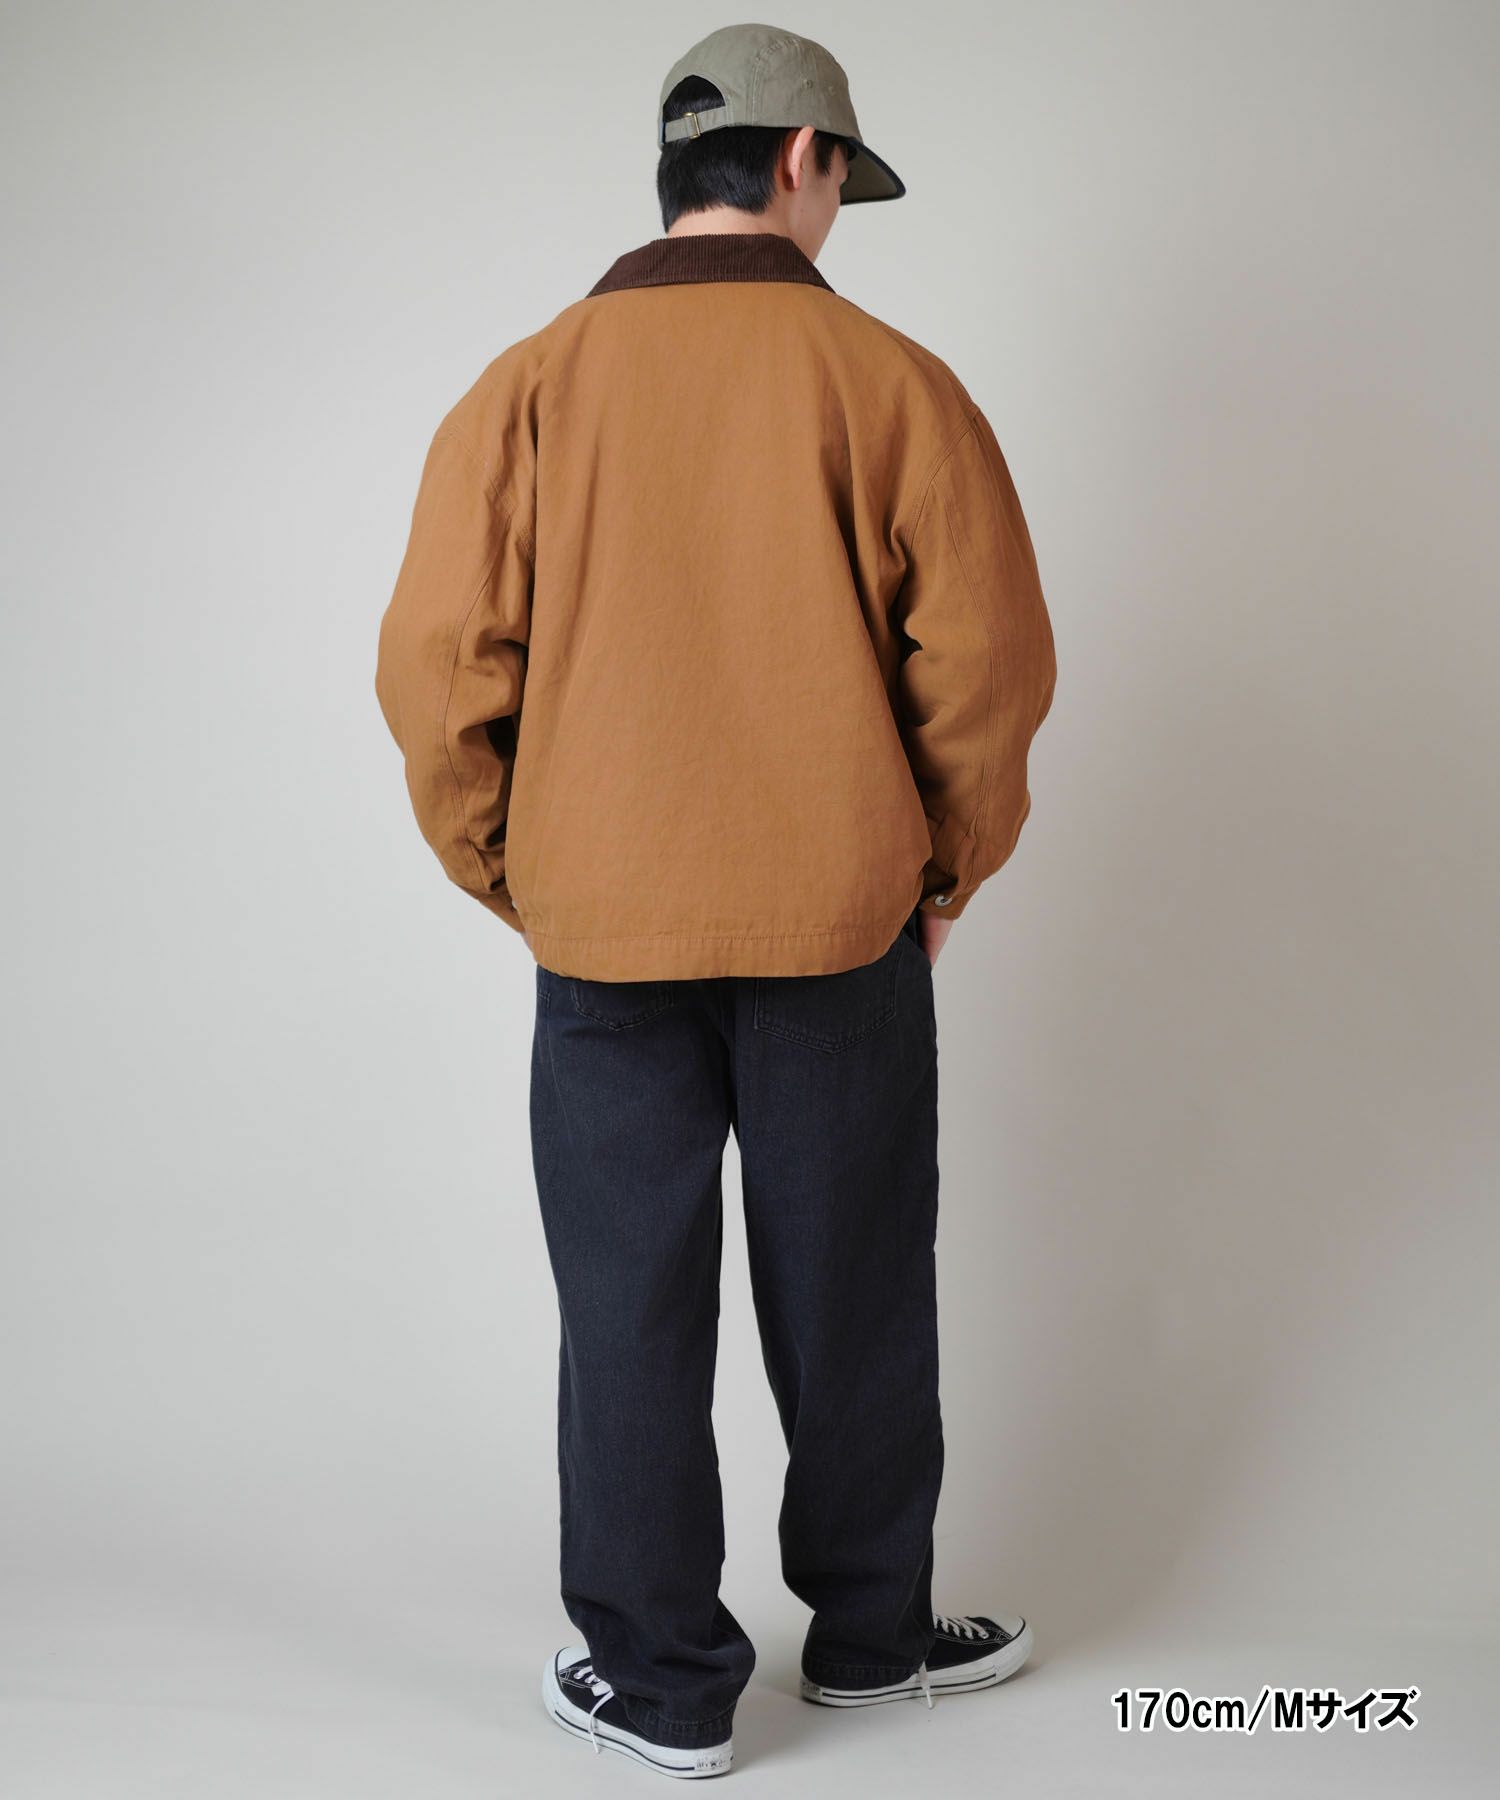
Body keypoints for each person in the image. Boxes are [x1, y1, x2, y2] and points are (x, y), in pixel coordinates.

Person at [374, 21, 1056, 1781]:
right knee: (856, 1291)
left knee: (626, 1306)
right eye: (843, 183)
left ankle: (664, 1684)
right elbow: (986, 665)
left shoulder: (529, 384)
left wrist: (519, 868)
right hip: (842, 920)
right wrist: (943, 867)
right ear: (804, 161)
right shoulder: (894, 384)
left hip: (603, 929)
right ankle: (873, 1643)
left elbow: (440, 670)